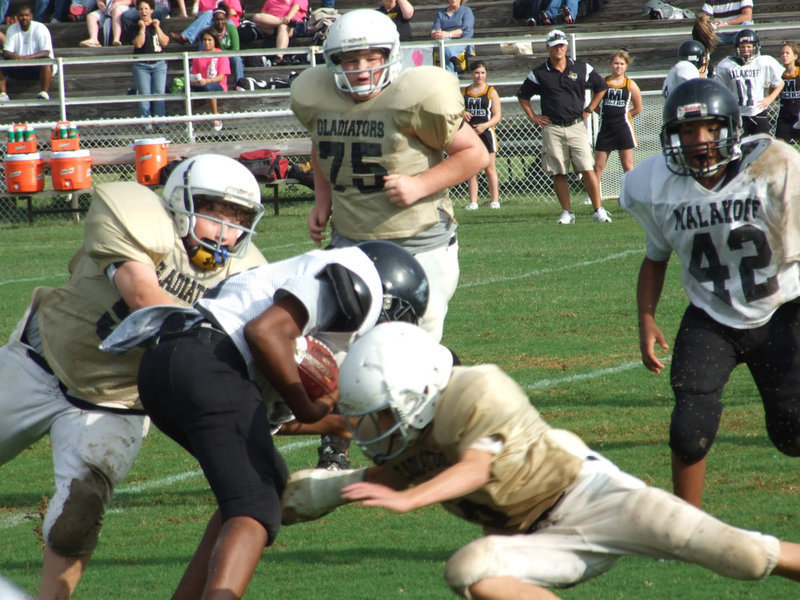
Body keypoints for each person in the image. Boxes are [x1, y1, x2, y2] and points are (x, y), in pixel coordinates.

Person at [280, 321, 800, 599]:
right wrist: (319, 494)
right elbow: (388, 472)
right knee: (469, 569)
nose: (374, 428)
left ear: (422, 389)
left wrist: (409, 500)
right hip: (535, 539)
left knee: (745, 556)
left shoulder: (478, 388)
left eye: (381, 413)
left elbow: (474, 468)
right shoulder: (411, 429)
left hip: (594, 499)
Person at [0, 154, 267, 600]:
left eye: (237, 220)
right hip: (39, 363)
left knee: (79, 515)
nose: (224, 232)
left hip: (117, 401)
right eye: (214, 212)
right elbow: (143, 293)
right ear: (180, 203)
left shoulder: (246, 274)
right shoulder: (135, 212)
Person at [99, 240, 430, 600]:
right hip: (209, 359)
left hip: (170, 364)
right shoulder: (358, 283)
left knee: (263, 482)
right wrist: (309, 407)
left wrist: (335, 422)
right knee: (255, 503)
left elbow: (262, 421)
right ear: (389, 300)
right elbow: (264, 331)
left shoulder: (312, 311)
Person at [619, 78, 800, 509]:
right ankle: (688, 528)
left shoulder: (776, 165)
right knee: (689, 426)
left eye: (709, 128)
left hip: (780, 309)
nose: (698, 141)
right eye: (686, 131)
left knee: (793, 434)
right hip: (711, 316)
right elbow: (655, 256)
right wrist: (646, 318)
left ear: (732, 129)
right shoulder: (654, 184)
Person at [291, 8, 487, 344]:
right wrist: (322, 201)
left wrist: (419, 185)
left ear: (390, 55)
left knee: (410, 349)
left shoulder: (411, 97)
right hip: (350, 240)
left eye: (371, 58)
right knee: (343, 345)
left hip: (417, 243)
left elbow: (475, 154)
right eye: (351, 61)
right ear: (334, 62)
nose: (362, 69)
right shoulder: (323, 99)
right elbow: (322, 144)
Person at [517, 29, 611, 224]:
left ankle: (598, 209)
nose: (558, 49)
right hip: (552, 127)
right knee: (559, 171)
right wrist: (533, 116)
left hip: (576, 125)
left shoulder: (582, 67)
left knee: (587, 167)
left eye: (561, 45)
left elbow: (601, 87)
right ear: (547, 48)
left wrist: (590, 109)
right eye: (554, 46)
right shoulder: (539, 73)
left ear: (566, 46)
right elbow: (523, 95)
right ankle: (567, 212)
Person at [714, 29, 784, 136]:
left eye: (749, 46)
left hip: (758, 111)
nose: (746, 50)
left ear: (755, 47)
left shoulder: (763, 62)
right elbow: (719, 89)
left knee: (764, 145)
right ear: (737, 48)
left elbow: (780, 82)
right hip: (738, 114)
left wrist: (769, 99)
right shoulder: (726, 65)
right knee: (738, 147)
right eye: (742, 47)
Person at [592, 50, 642, 188]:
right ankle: (594, 197)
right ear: (610, 65)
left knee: (627, 165)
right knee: (598, 166)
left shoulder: (630, 85)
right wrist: (606, 115)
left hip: (623, 129)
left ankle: (633, 193)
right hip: (606, 129)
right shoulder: (603, 83)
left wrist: (624, 115)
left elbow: (638, 108)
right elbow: (594, 105)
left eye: (621, 64)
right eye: (615, 63)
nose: (618, 66)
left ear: (626, 66)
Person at [463, 60, 501, 211]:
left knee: (489, 168)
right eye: (477, 73)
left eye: (483, 73)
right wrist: (462, 112)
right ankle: (473, 202)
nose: (480, 76)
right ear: (472, 74)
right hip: (470, 134)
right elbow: (456, 108)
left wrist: (484, 125)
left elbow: (497, 116)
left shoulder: (491, 91)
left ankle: (495, 200)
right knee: (472, 169)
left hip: (486, 133)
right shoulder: (464, 91)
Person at [0, 4, 54, 101]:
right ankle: (3, 94)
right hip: (18, 67)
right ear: (17, 17)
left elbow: (46, 52)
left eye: (26, 15)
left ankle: (44, 93)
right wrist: (13, 55)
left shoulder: (40, 28)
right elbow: (6, 51)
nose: (24, 18)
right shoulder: (12, 29)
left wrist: (27, 58)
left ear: (31, 16)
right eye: (21, 15)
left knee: (46, 61)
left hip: (37, 68)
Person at [131, 0, 169, 131]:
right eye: (141, 9)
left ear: (152, 10)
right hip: (142, 65)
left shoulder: (159, 24)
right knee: (144, 94)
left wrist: (157, 27)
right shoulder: (135, 26)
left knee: (159, 94)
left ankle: (160, 123)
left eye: (146, 9)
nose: (144, 12)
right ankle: (147, 124)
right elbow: (138, 44)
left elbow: (165, 42)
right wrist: (142, 28)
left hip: (159, 64)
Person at [190, 28, 230, 131]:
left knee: (208, 87)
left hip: (217, 84)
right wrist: (194, 81)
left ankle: (215, 117)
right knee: (188, 89)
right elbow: (194, 74)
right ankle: (189, 120)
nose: (206, 42)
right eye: (204, 40)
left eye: (209, 40)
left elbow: (222, 76)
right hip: (201, 83)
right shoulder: (198, 56)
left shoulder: (221, 54)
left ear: (214, 40)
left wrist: (207, 81)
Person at [251, 0, 308, 65]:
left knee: (282, 27)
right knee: (256, 17)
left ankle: (279, 57)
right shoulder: (270, 1)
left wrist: (288, 17)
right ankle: (281, 22)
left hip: (292, 23)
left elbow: (296, 7)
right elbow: (263, 13)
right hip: (274, 24)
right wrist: (279, 21)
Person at [169, 0, 241, 47]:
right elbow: (198, 16)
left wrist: (216, 12)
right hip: (211, 24)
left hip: (226, 22)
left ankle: (186, 37)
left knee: (210, 13)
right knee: (205, 30)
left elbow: (232, 12)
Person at [430, 0, 474, 74]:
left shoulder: (466, 11)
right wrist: (435, 34)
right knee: (443, 43)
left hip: (461, 41)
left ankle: (453, 60)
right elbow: (434, 30)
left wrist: (448, 34)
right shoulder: (441, 14)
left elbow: (465, 30)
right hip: (443, 41)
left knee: (446, 55)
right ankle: (454, 60)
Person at [210, 5, 243, 83]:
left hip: (229, 56)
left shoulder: (232, 28)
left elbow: (235, 49)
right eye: (217, 20)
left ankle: (240, 84)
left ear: (226, 19)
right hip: (215, 57)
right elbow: (207, 49)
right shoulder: (210, 30)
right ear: (213, 20)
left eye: (222, 19)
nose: (220, 22)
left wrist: (224, 56)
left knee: (237, 59)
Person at [775, 40, 800, 143]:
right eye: (782, 53)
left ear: (795, 56)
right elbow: (775, 95)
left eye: (787, 53)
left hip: (798, 113)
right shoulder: (778, 74)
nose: (784, 55)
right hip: (785, 115)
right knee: (780, 146)